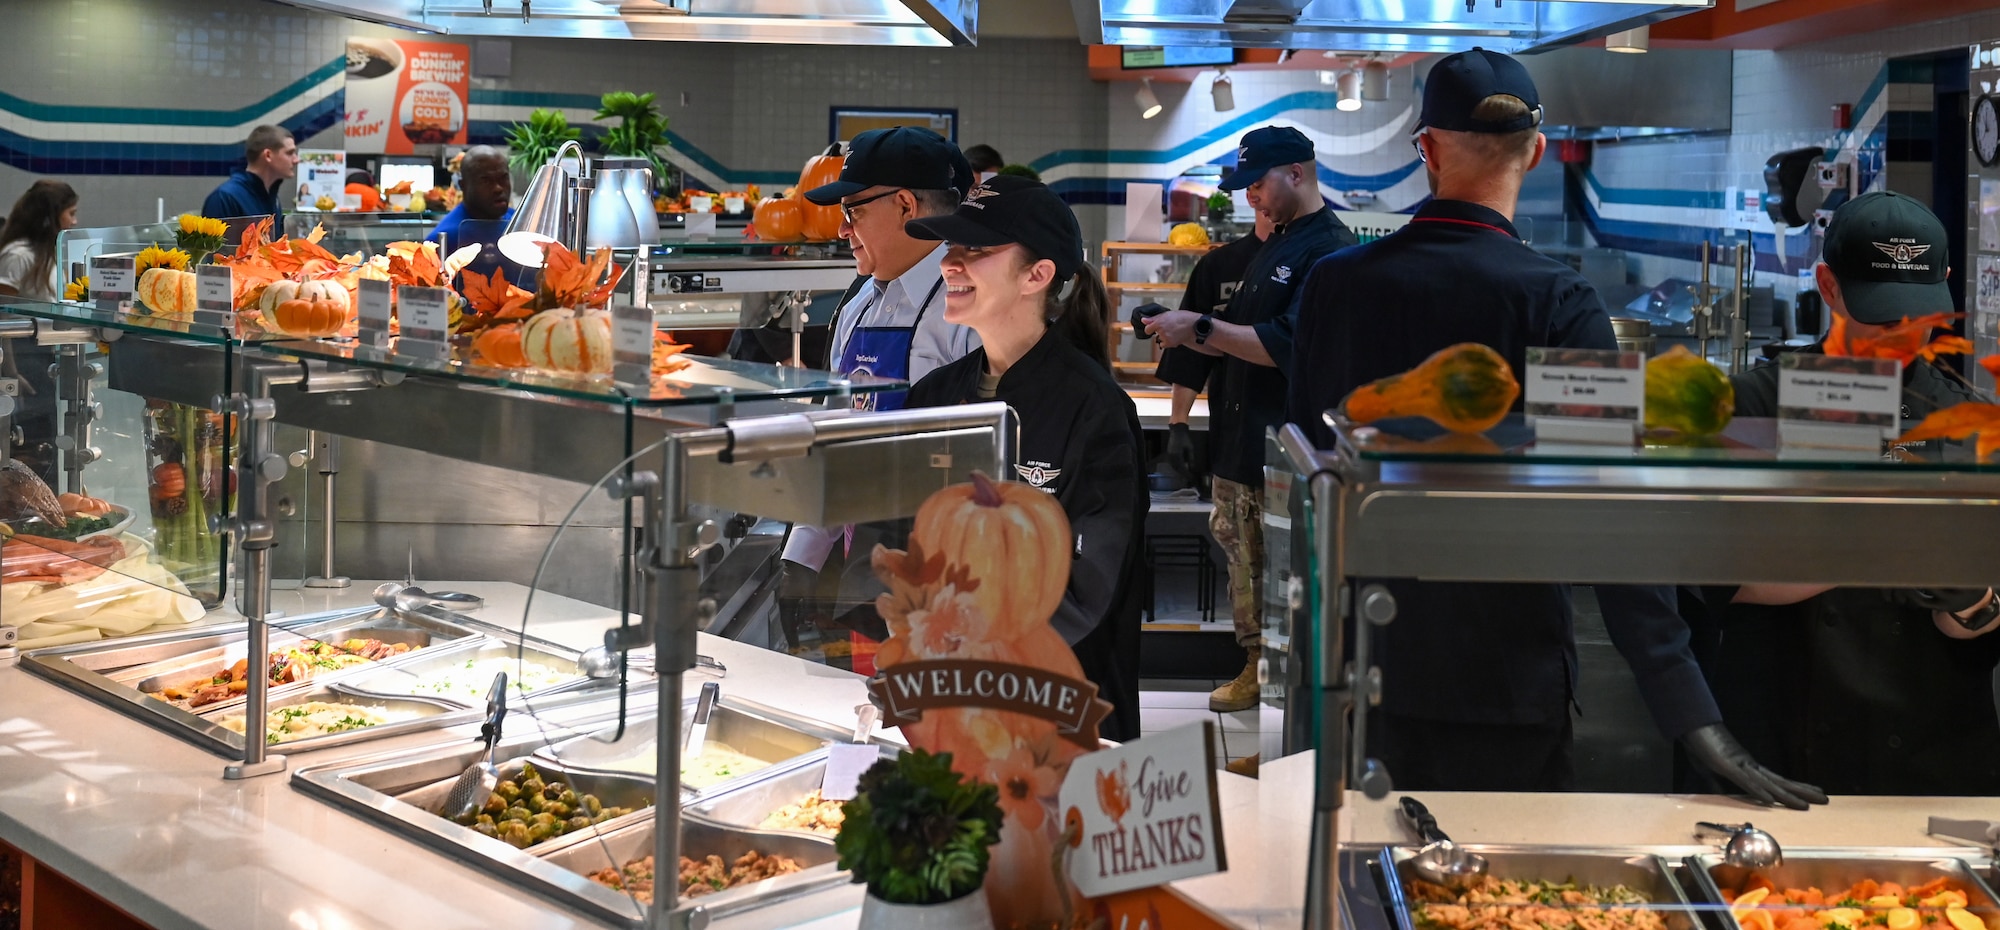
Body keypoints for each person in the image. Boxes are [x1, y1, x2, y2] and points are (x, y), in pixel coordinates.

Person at [1284, 48, 1825, 805]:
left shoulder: (1334, 284)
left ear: (1427, 149)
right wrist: (1691, 715)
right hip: (1505, 677)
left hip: (1355, 659)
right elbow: (1608, 512)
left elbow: (1312, 467)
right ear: (1536, 153)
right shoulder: (1559, 301)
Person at [1693, 191, 2000, 795]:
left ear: (1943, 283)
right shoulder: (1752, 405)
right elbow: (1711, 578)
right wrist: (1886, 544)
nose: (1903, 335)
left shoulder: (1972, 419)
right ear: (1829, 287)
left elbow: (1981, 621)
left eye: (1921, 315)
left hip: (1932, 754)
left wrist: (1971, 603)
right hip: (1782, 745)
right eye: (1882, 316)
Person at [902, 175, 1147, 741]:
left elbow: (1090, 583)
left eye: (976, 250)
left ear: (1037, 276)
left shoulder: (1096, 408)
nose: (950, 264)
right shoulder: (934, 396)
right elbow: (905, 540)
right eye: (952, 248)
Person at [1144, 125, 1357, 713]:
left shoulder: (1329, 249)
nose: (1250, 198)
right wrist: (1182, 329)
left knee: (1285, 576)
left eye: (1257, 184)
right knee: (1245, 564)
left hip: (1286, 446)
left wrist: (1202, 328)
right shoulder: (1275, 244)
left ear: (1297, 172)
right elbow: (1235, 337)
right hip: (1239, 441)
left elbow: (1287, 343)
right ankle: (1255, 669)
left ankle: (1285, 695)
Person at [776, 128, 983, 624]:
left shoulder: (969, 307)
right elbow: (837, 438)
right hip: (861, 575)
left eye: (854, 212)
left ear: (907, 206)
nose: (843, 230)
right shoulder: (857, 305)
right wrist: (802, 555)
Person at [0, 180, 79, 301]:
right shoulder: (18, 256)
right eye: (71, 214)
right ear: (50, 217)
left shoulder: (47, 253)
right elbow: (3, 312)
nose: (74, 221)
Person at [202, 125, 296, 223]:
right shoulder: (224, 198)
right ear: (268, 155)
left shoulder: (271, 197)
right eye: (290, 153)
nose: (296, 160)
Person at [428, 146, 513, 249]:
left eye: (503, 178)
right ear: (463, 185)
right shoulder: (441, 241)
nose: (498, 188)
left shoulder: (522, 226)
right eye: (486, 181)